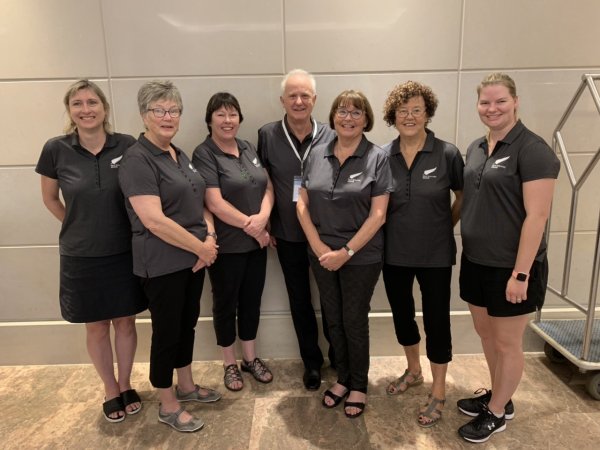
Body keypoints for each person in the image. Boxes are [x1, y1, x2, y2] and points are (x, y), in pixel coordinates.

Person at [456, 73, 560, 443]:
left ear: (516, 101)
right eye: (485, 102)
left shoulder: (532, 150)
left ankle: (497, 413)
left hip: (512, 268)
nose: (492, 109)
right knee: (486, 334)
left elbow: (538, 216)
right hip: (476, 261)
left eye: (500, 101)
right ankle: (501, 395)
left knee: (507, 343)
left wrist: (521, 273)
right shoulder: (476, 147)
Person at [36, 80, 147, 423]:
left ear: (104, 108)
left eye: (92, 102)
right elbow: (50, 199)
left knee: (125, 322)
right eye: (78, 104)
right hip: (81, 256)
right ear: (69, 111)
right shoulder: (55, 149)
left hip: (123, 251)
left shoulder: (126, 145)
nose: (86, 110)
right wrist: (79, 225)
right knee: (96, 327)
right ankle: (110, 388)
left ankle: (127, 383)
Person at [119, 80, 221, 433]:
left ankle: (187, 385)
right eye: (159, 110)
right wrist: (201, 248)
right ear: (144, 115)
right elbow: (153, 220)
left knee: (186, 326)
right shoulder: (137, 159)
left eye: (173, 110)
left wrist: (208, 237)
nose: (167, 116)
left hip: (194, 260)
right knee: (166, 333)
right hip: (162, 264)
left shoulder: (179, 153)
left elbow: (198, 203)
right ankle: (167, 402)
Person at [297, 90, 392, 419]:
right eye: (342, 111)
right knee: (333, 319)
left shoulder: (377, 158)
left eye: (356, 112)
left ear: (366, 119)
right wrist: (320, 247)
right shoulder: (314, 153)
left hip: (361, 257)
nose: (348, 118)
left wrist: (347, 251)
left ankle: (359, 385)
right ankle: (342, 378)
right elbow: (301, 202)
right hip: (321, 254)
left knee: (353, 321)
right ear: (333, 116)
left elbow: (378, 215)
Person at [381, 81, 464, 427]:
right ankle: (413, 370)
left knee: (436, 321)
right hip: (394, 253)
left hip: (435, 255)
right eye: (403, 111)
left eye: (417, 110)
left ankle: (439, 390)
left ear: (428, 113)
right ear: (393, 116)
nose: (410, 117)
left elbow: (462, 196)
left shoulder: (447, 153)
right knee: (402, 316)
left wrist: (443, 225)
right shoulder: (383, 155)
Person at [257, 69, 336, 390]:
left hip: (326, 235)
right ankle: (312, 363)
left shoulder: (331, 134)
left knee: (331, 301)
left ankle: (341, 358)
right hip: (287, 234)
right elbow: (262, 184)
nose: (299, 101)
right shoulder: (267, 135)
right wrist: (268, 222)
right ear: (282, 101)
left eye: (305, 95)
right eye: (293, 96)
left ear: (315, 100)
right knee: (299, 300)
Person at [193, 92, 274, 392]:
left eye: (233, 114)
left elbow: (268, 187)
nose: (228, 121)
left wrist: (264, 217)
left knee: (252, 301)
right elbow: (213, 203)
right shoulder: (204, 154)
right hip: (226, 248)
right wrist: (254, 228)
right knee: (225, 305)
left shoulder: (248, 147)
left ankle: (249, 359)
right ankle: (229, 363)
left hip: (257, 246)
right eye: (221, 115)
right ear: (210, 119)